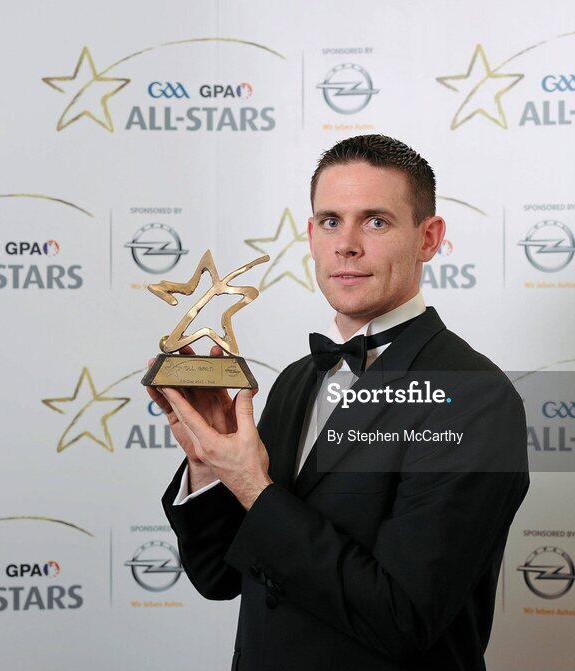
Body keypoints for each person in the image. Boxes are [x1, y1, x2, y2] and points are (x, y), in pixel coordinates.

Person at [151, 134, 529, 671]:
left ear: (429, 238)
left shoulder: (473, 399)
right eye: (330, 221)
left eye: (375, 221)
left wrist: (252, 486)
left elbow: (403, 619)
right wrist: (207, 464)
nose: (346, 245)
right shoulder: (294, 382)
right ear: (310, 235)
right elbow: (219, 577)